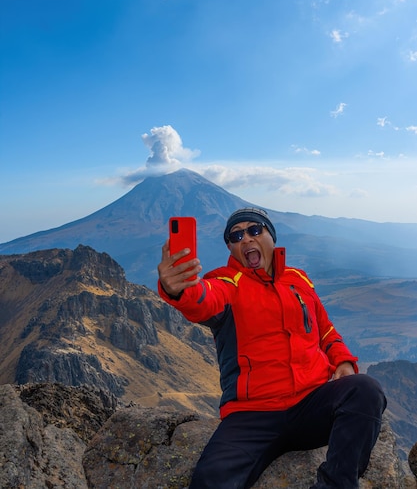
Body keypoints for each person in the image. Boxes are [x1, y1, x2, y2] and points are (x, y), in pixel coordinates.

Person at [157, 207, 386, 489]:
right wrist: (178, 289)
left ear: (271, 236)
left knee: (365, 390)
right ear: (230, 247)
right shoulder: (228, 282)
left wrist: (343, 362)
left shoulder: (298, 280)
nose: (246, 239)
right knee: (210, 480)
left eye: (255, 230)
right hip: (252, 416)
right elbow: (203, 298)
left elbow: (325, 329)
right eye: (236, 236)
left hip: (310, 404)